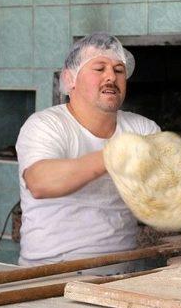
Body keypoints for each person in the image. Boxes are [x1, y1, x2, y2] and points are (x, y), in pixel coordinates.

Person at [15, 32, 160, 269]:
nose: (111, 76)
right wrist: (114, 155)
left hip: (121, 271)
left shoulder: (143, 128)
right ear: (70, 79)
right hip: (50, 271)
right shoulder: (45, 125)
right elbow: (39, 182)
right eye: (99, 68)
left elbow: (162, 194)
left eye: (119, 70)